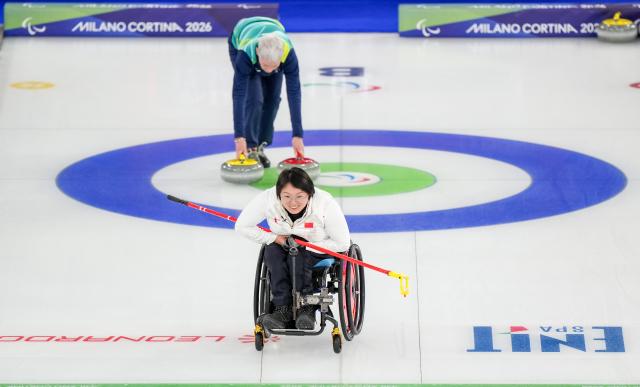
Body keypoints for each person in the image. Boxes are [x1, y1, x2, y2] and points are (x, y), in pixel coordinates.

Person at [235, 167, 350, 330]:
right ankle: (283, 309)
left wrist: (310, 246)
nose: (293, 202)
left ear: (310, 194)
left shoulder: (325, 204)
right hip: (282, 244)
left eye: (300, 196)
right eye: (286, 196)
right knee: (272, 251)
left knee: (297, 256)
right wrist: (274, 238)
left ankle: (306, 307)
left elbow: (343, 242)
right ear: (278, 194)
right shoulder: (268, 200)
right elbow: (242, 226)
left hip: (315, 249)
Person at [228, 16, 305, 168]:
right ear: (257, 52)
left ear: (281, 56)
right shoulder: (246, 54)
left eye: (273, 67)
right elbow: (238, 94)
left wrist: (298, 135)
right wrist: (239, 137)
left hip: (271, 40)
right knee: (254, 99)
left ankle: (260, 144)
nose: (268, 71)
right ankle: (251, 147)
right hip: (241, 36)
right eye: (265, 66)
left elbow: (294, 92)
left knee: (273, 100)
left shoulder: (288, 54)